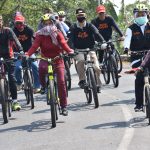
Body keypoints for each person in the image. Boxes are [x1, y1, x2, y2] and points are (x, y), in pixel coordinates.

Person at [25, 13, 74, 116]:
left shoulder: (58, 32)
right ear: (42, 24)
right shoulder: (40, 35)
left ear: (53, 23)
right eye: (45, 23)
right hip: (45, 59)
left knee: (61, 82)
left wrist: (69, 51)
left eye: (49, 23)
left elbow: (63, 43)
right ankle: (43, 87)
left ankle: (64, 106)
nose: (47, 25)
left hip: (57, 59)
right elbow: (34, 46)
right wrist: (28, 54)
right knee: (41, 69)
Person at [68, 8, 106, 92]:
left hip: (90, 49)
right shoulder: (73, 27)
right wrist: (71, 49)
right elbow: (70, 39)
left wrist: (103, 42)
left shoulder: (89, 25)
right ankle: (82, 80)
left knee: (97, 67)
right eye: (79, 15)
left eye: (82, 15)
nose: (81, 17)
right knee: (80, 61)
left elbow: (97, 33)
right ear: (76, 17)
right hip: (78, 50)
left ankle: (97, 84)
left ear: (85, 16)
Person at [124, 4, 150, 111]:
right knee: (139, 78)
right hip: (136, 57)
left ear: (146, 14)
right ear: (135, 15)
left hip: (149, 56)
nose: (140, 16)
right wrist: (126, 48)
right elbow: (127, 39)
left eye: (142, 13)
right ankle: (139, 104)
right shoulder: (130, 29)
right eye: (138, 14)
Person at [0, 15, 23, 111]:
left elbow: (15, 40)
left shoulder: (7, 30)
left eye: (0, 20)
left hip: (9, 57)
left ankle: (14, 101)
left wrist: (21, 50)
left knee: (12, 78)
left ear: (2, 21)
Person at [13, 15, 41, 93]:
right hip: (18, 53)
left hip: (29, 52)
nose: (19, 26)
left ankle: (37, 86)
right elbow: (10, 43)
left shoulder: (29, 30)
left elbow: (37, 39)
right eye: (17, 24)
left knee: (35, 66)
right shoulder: (13, 31)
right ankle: (19, 83)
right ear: (15, 24)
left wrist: (38, 48)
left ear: (24, 23)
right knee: (17, 68)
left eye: (21, 23)